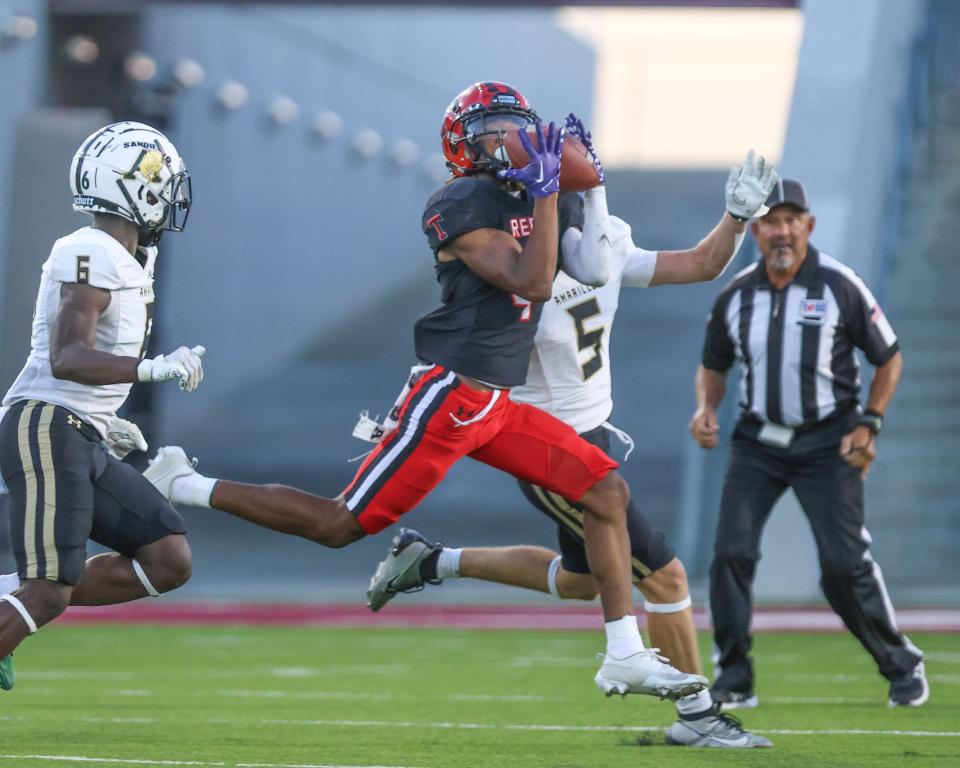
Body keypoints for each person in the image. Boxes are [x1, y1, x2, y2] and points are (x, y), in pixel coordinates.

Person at [144, 81, 705, 701]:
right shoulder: (459, 201)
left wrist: (588, 187)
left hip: (500, 404)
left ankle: (624, 653)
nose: (508, 139)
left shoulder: (533, 194)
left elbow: (595, 266)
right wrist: (549, 192)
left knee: (605, 489)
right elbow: (533, 280)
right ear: (462, 143)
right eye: (492, 128)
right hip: (454, 396)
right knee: (340, 524)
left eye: (514, 126)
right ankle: (185, 484)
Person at [364, 143, 777, 748]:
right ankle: (698, 717)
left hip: (594, 431)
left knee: (585, 579)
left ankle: (430, 559)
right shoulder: (514, 267)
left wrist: (737, 217)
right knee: (664, 575)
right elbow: (490, 315)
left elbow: (698, 264)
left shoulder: (603, 235)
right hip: (549, 444)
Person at [689, 178, 927, 709]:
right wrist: (705, 408)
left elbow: (888, 357)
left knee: (842, 565)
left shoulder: (840, 285)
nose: (782, 231)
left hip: (829, 442)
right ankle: (733, 674)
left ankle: (900, 662)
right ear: (755, 231)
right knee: (730, 552)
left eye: (792, 220)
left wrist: (871, 422)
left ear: (809, 226)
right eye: (772, 221)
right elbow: (713, 363)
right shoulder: (736, 294)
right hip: (758, 442)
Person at [0, 121, 205, 692]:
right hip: (47, 422)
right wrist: (149, 368)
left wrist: (103, 414)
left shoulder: (123, 260)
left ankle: (6, 596)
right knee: (48, 590)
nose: (170, 198)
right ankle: (15, 603)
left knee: (167, 558)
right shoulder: (89, 249)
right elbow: (67, 356)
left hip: (77, 429)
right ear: (135, 187)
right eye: (163, 184)